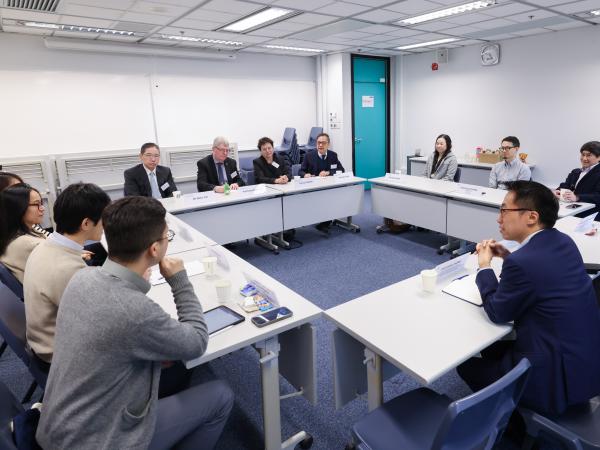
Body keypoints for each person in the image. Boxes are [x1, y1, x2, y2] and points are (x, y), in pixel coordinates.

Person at [36, 196, 233, 450]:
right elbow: (196, 342)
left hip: (58, 427)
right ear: (154, 250)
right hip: (97, 440)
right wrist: (180, 280)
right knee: (221, 395)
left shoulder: (83, 277)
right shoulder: (134, 312)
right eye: (166, 237)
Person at [457, 181, 600, 416]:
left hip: (554, 378)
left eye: (504, 210)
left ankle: (513, 421)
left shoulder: (523, 262)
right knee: (493, 348)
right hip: (583, 364)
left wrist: (484, 266)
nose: (498, 218)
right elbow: (539, 274)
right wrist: (507, 256)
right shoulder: (563, 241)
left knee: (466, 365)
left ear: (531, 217)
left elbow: (497, 312)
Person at [24, 182, 111, 369]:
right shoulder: (66, 269)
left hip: (47, 343)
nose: (106, 224)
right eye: (104, 218)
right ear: (86, 223)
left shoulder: (45, 247)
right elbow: (105, 323)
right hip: (64, 358)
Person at [0, 183, 48, 283]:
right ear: (18, 208)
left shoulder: (13, 233)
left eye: (41, 203)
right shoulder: (28, 243)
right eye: (36, 204)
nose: (42, 208)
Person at [555, 140, 600, 216]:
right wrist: (557, 191)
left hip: (591, 214)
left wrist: (577, 197)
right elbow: (565, 186)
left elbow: (598, 196)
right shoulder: (576, 172)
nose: (584, 158)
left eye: (589, 155)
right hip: (571, 209)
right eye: (583, 155)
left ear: (599, 157)